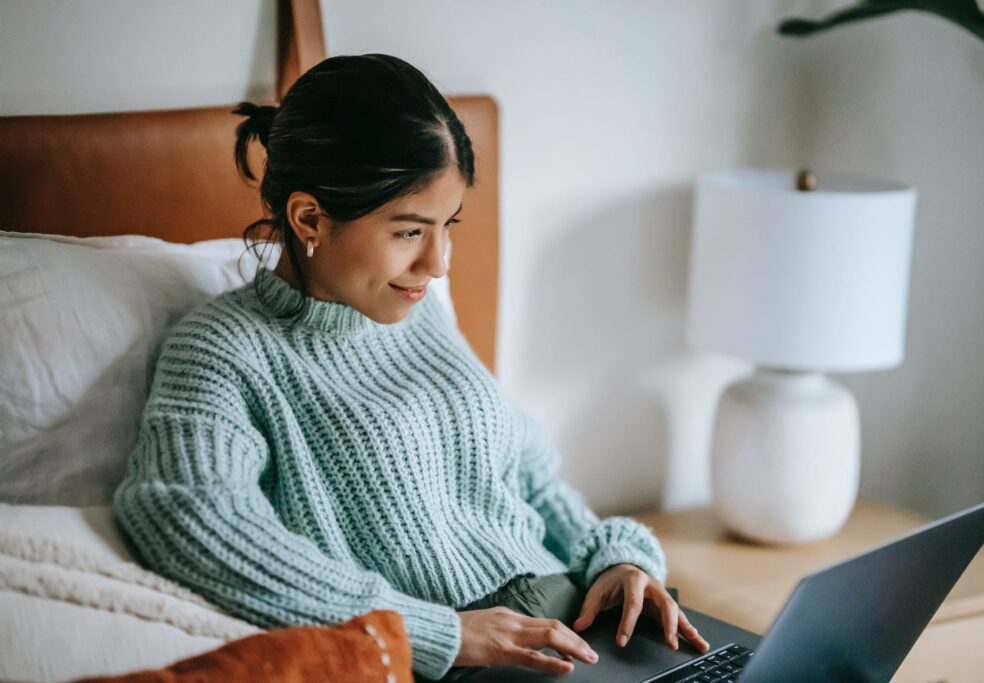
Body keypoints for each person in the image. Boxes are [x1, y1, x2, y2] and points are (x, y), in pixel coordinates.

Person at [112, 53, 708, 682]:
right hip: (459, 659)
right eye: (409, 232)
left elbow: (528, 480)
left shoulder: (418, 315)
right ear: (308, 217)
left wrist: (614, 562)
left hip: (578, 617)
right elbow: (187, 516)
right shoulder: (222, 349)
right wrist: (430, 632)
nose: (440, 263)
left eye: (448, 225)